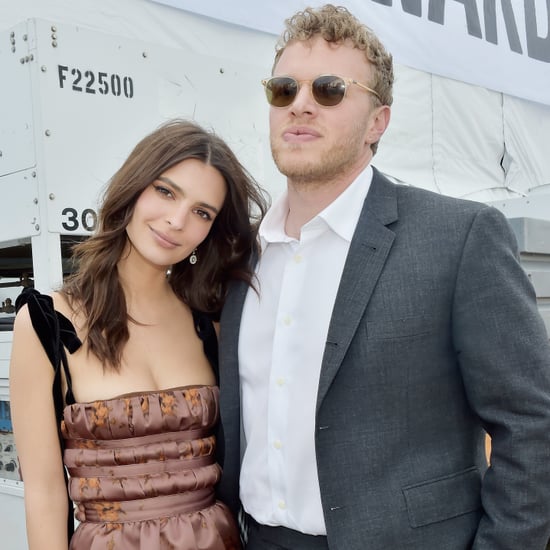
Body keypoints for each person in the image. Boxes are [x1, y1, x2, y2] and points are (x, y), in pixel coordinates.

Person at [217, 4, 550, 550]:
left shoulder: (458, 237)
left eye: (329, 89)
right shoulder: (241, 256)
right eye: (283, 89)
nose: (300, 104)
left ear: (378, 121)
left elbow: (532, 425)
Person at [10, 119, 267, 550]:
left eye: (202, 212)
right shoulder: (46, 322)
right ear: (134, 187)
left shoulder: (212, 321)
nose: (176, 220)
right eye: (166, 191)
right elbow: (44, 492)